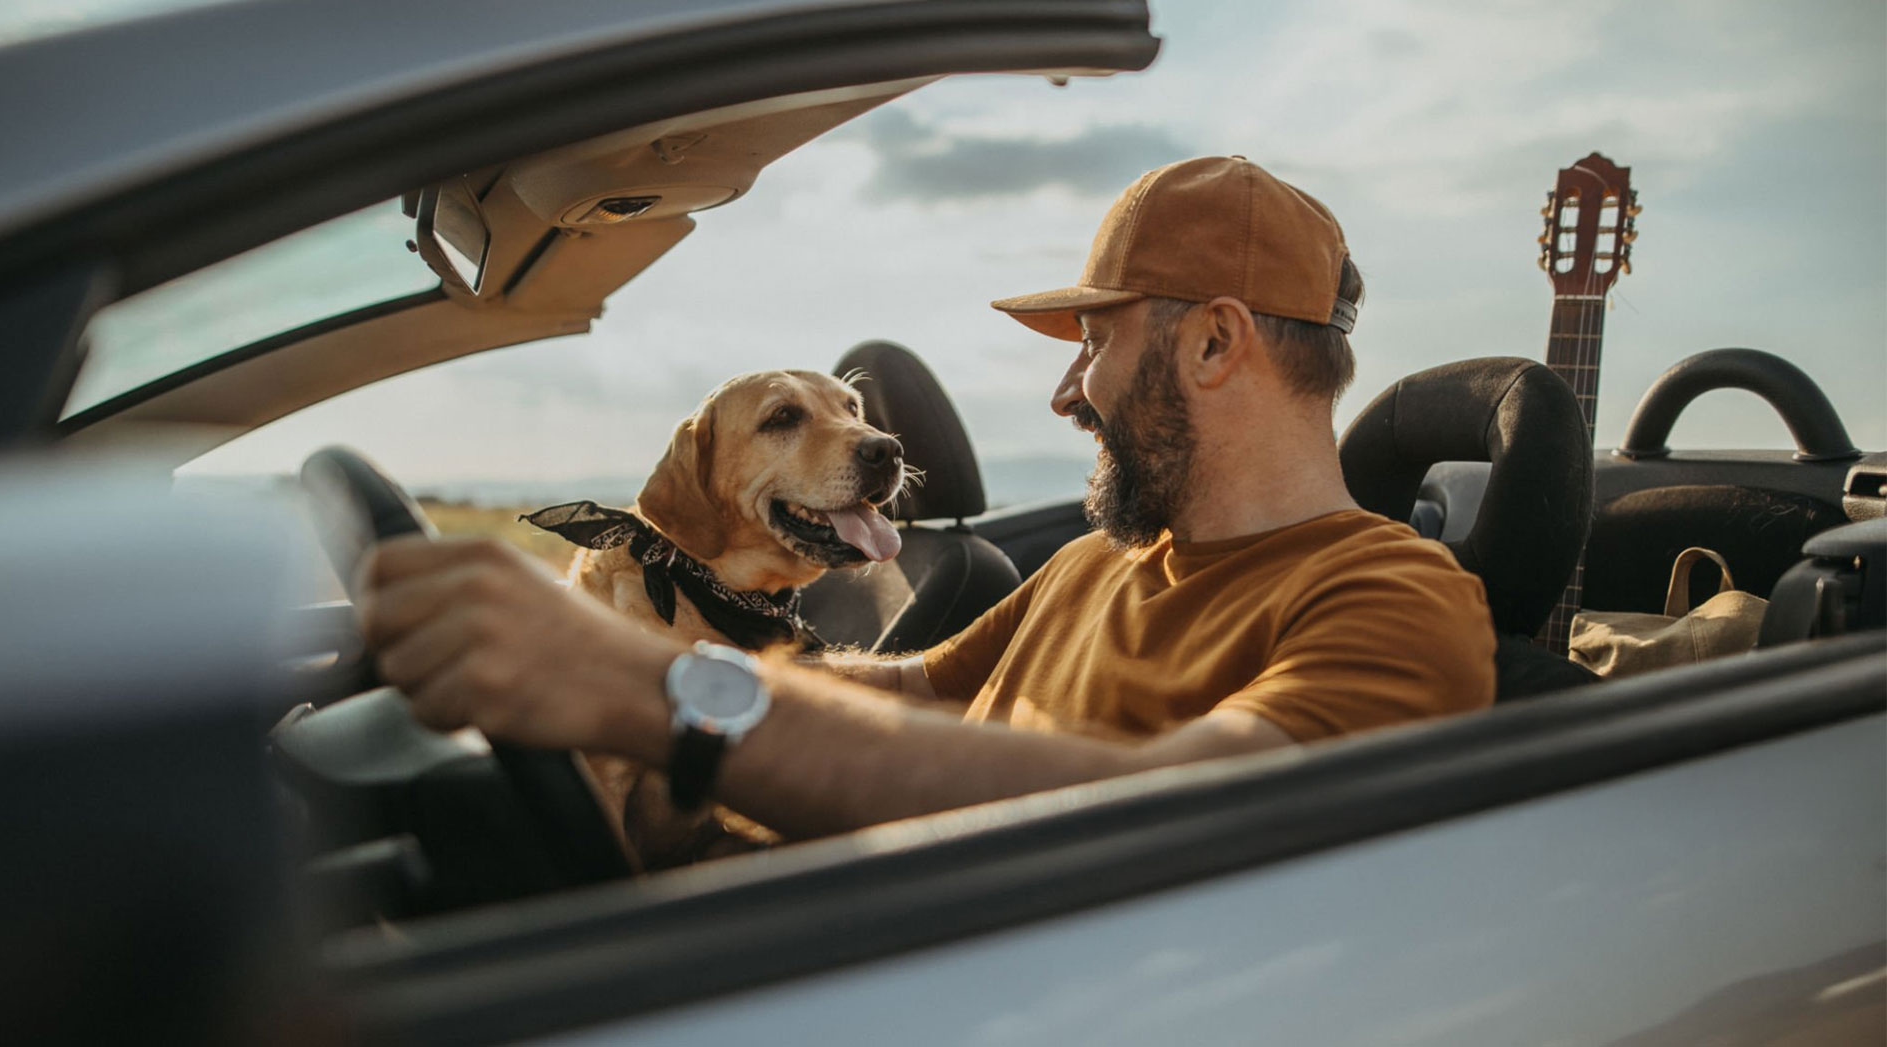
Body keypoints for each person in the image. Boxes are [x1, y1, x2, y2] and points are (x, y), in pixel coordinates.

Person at [359, 156, 1496, 842]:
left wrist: (654, 692)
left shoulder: (1392, 599)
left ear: (1211, 343)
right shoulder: (1099, 561)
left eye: (1094, 343)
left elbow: (1164, 812)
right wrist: (671, 623)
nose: (1067, 392)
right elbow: (915, 686)